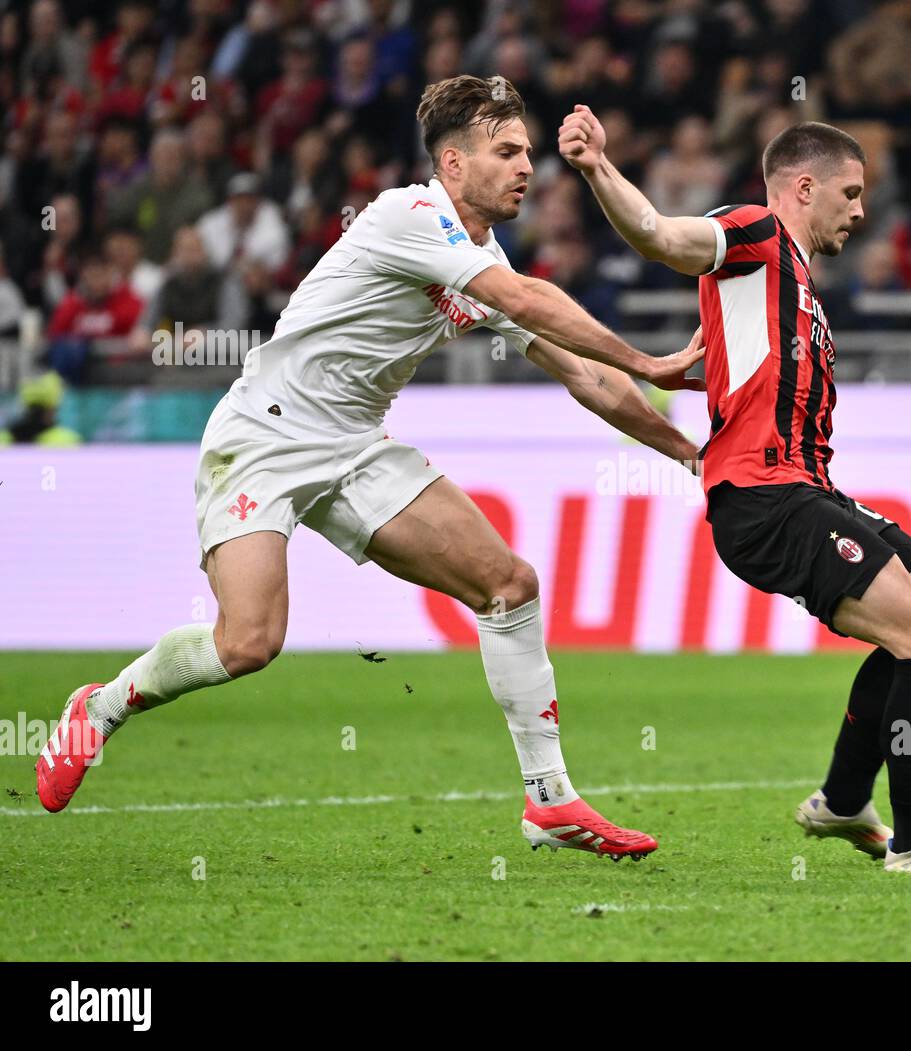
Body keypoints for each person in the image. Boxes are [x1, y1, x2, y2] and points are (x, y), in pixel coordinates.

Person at [37, 76, 706, 864]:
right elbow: (526, 303)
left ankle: (549, 801)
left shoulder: (480, 259)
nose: (528, 165)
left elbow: (586, 377)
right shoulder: (410, 216)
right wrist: (653, 361)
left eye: (528, 151)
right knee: (248, 641)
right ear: (452, 164)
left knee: (509, 584)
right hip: (263, 434)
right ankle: (103, 703)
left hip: (354, 445)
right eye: (508, 151)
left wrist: (688, 454)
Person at [559, 105, 911, 873]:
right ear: (804, 187)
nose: (863, 210)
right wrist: (598, 167)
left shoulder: (792, 283)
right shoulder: (756, 232)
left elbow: (748, 361)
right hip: (765, 498)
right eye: (852, 192)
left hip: (811, 488)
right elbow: (663, 237)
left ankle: (842, 799)